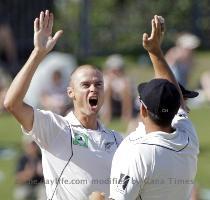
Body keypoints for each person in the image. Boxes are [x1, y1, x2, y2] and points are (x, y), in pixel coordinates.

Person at [4, 10, 122, 200]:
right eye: (85, 85)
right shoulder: (55, 127)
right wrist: (37, 54)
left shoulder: (117, 140)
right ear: (70, 93)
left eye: (98, 84)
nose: (93, 89)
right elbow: (12, 104)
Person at [90, 15, 199, 200]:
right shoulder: (188, 137)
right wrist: (155, 52)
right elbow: (178, 100)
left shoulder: (136, 153)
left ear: (142, 110)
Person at [100, 54, 133, 124]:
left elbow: (129, 92)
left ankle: (126, 116)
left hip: (119, 103)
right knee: (108, 90)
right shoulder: (104, 78)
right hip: (108, 103)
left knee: (126, 90)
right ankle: (107, 116)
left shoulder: (125, 79)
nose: (115, 72)